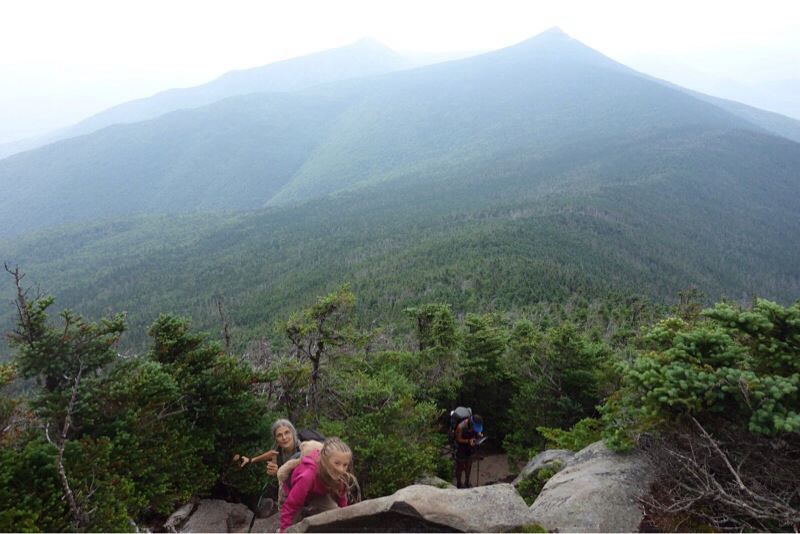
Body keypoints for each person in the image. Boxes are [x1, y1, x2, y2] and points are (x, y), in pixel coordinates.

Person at [279, 437, 356, 532]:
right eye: (337, 463)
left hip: (315, 492)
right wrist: (284, 530)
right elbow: (291, 506)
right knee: (291, 527)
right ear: (324, 461)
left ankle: (307, 512)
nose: (341, 469)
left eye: (345, 465)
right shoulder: (308, 475)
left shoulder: (339, 475)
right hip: (292, 490)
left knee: (333, 512)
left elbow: (341, 499)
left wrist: (345, 521)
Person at [237, 419, 301, 476]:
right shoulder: (279, 451)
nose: (284, 437)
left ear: (293, 433)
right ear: (275, 439)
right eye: (279, 435)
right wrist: (250, 460)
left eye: (287, 432)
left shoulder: (303, 448)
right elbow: (271, 453)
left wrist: (279, 473)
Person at [454, 414, 484, 488]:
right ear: (470, 423)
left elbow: (477, 431)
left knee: (469, 464)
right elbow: (458, 439)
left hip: (470, 446)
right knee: (460, 466)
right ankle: (459, 484)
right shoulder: (460, 427)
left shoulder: (474, 425)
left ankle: (467, 481)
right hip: (461, 447)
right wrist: (468, 440)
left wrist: (479, 434)